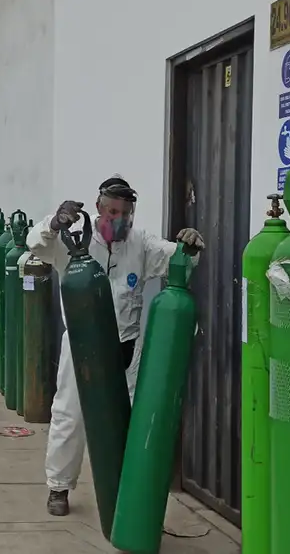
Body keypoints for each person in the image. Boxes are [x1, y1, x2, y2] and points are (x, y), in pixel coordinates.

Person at [28, 175, 205, 517]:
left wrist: (190, 247)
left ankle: (125, 487)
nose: (117, 220)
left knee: (131, 418)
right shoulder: (73, 240)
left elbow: (176, 258)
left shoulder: (140, 243)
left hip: (127, 346)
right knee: (70, 414)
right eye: (111, 212)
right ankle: (59, 487)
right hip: (82, 345)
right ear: (97, 209)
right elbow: (35, 244)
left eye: (124, 213)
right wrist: (53, 222)